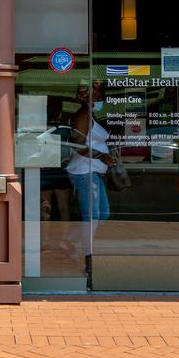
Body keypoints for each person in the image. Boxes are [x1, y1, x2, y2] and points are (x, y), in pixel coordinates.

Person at [64, 82, 114, 262]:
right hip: (85, 172)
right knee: (92, 216)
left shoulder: (90, 115)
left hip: (92, 171)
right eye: (98, 97)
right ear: (87, 97)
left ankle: (68, 241)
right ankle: (88, 257)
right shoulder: (83, 115)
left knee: (103, 214)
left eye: (102, 97)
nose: (101, 100)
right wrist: (101, 156)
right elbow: (78, 144)